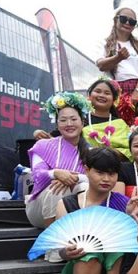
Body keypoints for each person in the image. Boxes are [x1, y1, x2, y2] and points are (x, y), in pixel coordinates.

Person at [55, 147, 131, 274]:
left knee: (117, 244)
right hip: (79, 273)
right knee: (88, 245)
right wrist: (67, 252)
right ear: (87, 170)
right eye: (100, 172)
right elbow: (60, 248)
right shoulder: (67, 204)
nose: (106, 179)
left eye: (112, 174)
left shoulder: (124, 204)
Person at [25, 92, 90, 229]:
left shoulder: (90, 152)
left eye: (73, 119)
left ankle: (84, 233)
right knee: (56, 190)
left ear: (82, 122)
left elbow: (97, 178)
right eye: (63, 120)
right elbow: (37, 174)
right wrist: (56, 173)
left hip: (72, 206)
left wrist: (75, 178)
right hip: (40, 207)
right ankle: (54, 238)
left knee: (85, 187)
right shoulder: (43, 145)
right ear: (57, 124)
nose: (69, 124)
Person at [96, 7, 138, 124]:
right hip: (115, 89)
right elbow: (101, 65)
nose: (127, 23)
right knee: (118, 124)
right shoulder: (104, 43)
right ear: (115, 20)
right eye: (123, 19)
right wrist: (118, 57)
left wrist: (137, 91)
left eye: (132, 22)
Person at [82, 78, 132, 159]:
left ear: (113, 100)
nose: (102, 95)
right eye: (98, 91)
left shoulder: (121, 124)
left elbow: (130, 150)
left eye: (107, 93)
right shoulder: (79, 121)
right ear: (89, 96)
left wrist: (108, 153)